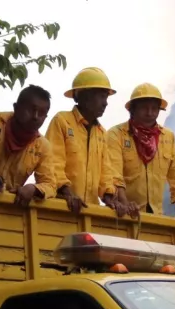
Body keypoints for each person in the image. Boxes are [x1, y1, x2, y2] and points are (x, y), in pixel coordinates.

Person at [103, 84, 175, 229]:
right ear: (133, 109)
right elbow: (113, 173)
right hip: (123, 216)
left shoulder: (168, 137)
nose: (150, 113)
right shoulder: (116, 134)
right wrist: (124, 203)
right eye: (144, 108)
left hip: (156, 217)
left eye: (154, 108)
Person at [45, 67, 115, 214]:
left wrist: (110, 198)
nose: (105, 103)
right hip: (60, 207)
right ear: (82, 96)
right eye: (101, 96)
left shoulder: (102, 133)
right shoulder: (62, 121)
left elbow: (106, 173)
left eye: (106, 97)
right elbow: (52, 163)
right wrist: (67, 194)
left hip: (90, 211)